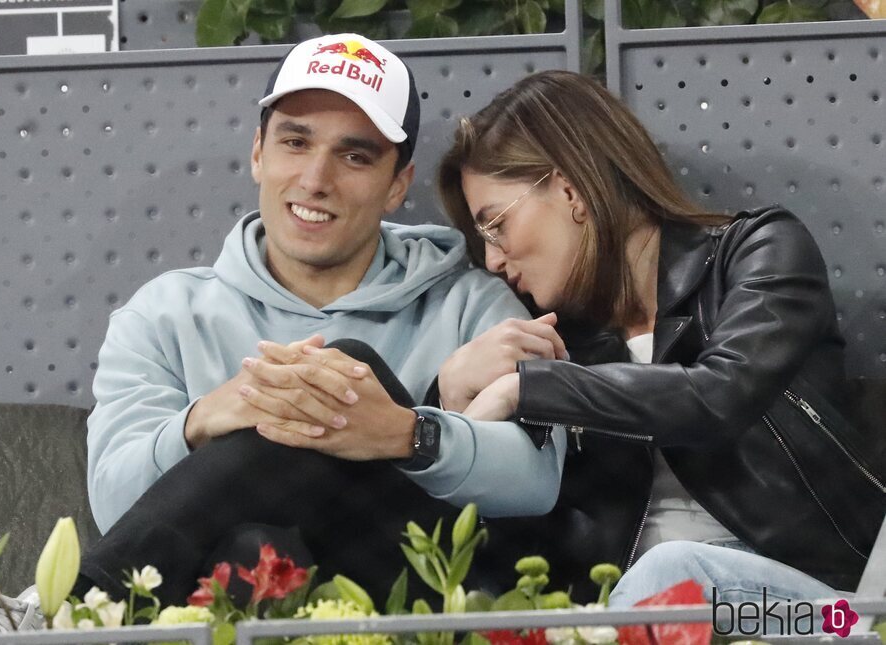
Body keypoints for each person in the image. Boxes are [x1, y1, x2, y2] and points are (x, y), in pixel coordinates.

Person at [78, 35, 567, 606]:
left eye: (354, 156)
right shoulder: (161, 314)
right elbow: (115, 507)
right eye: (295, 141)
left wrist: (407, 433)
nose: (315, 178)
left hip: (412, 592)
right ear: (258, 152)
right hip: (222, 595)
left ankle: (67, 609)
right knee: (253, 548)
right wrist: (209, 419)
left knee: (345, 367)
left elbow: (538, 482)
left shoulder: (473, 306)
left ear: (397, 186)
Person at [436, 70, 886, 612]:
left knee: (676, 568)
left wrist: (523, 390)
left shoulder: (759, 253)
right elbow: (512, 541)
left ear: (569, 189)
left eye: (495, 224)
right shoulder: (555, 340)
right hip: (632, 613)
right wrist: (451, 404)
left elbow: (719, 396)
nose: (491, 259)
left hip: (827, 619)